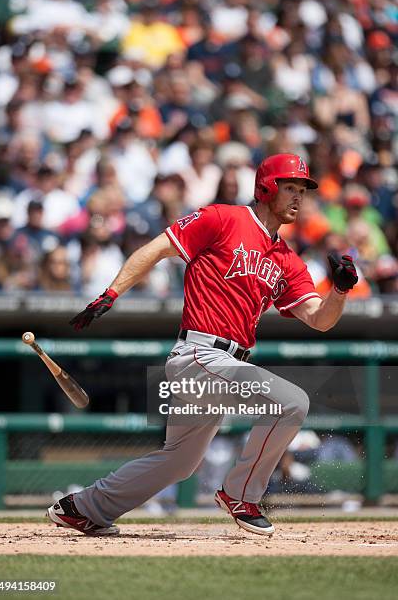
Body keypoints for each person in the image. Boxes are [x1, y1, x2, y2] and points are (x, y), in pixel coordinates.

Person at [47, 153, 358, 537]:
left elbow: (319, 318)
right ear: (266, 188)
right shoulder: (223, 218)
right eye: (289, 187)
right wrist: (112, 292)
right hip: (199, 355)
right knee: (292, 401)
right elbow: (158, 248)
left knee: (180, 461)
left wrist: (340, 291)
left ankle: (82, 508)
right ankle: (241, 494)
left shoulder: (287, 260)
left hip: (221, 366)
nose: (298, 197)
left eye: (302, 190)